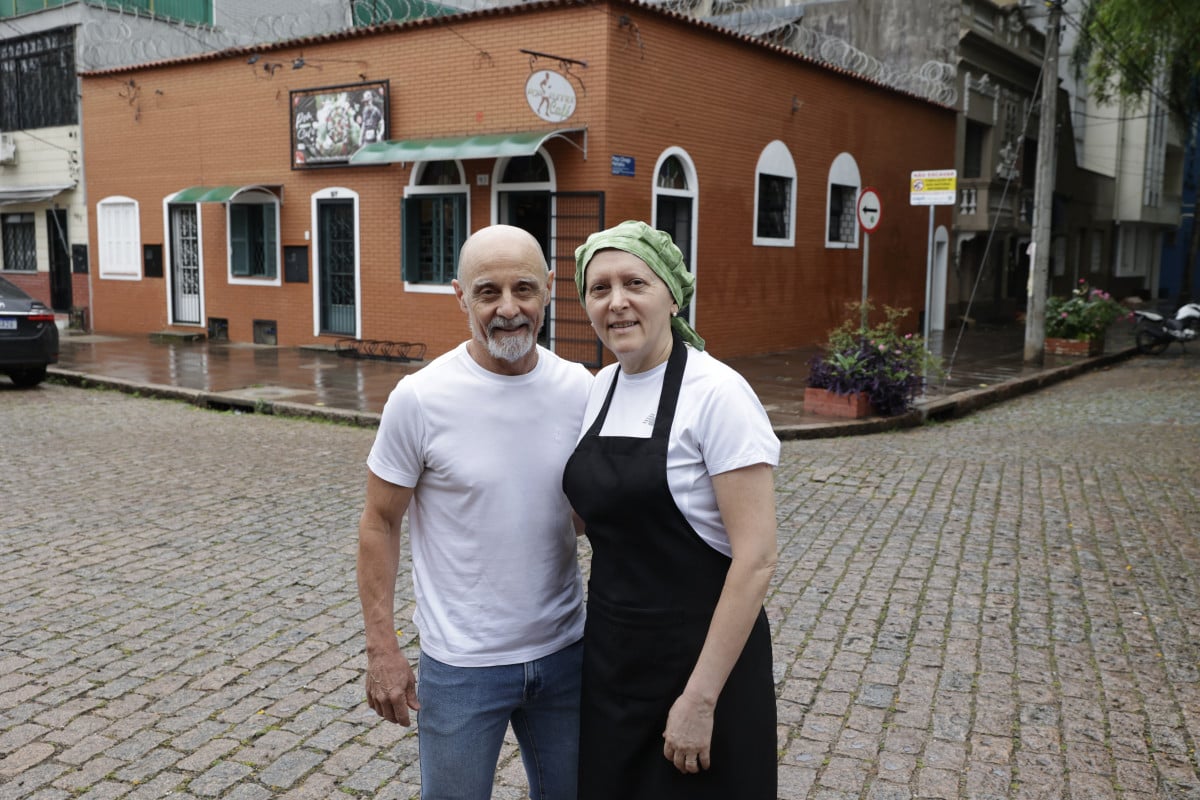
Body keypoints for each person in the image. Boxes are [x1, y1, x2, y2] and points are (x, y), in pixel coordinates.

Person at [357, 224, 592, 800]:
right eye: (488, 292)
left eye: (524, 289)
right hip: (461, 667)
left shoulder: (582, 389)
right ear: (460, 295)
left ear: (549, 291)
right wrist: (382, 649)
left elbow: (596, 518)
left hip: (567, 656)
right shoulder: (421, 397)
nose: (508, 309)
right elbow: (379, 523)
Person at [562, 220, 780, 799]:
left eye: (635, 282)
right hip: (612, 657)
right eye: (599, 287)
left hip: (703, 663)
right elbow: (595, 515)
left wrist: (700, 698)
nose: (617, 302)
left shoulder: (718, 394)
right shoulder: (600, 387)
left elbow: (755, 559)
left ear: (673, 293)